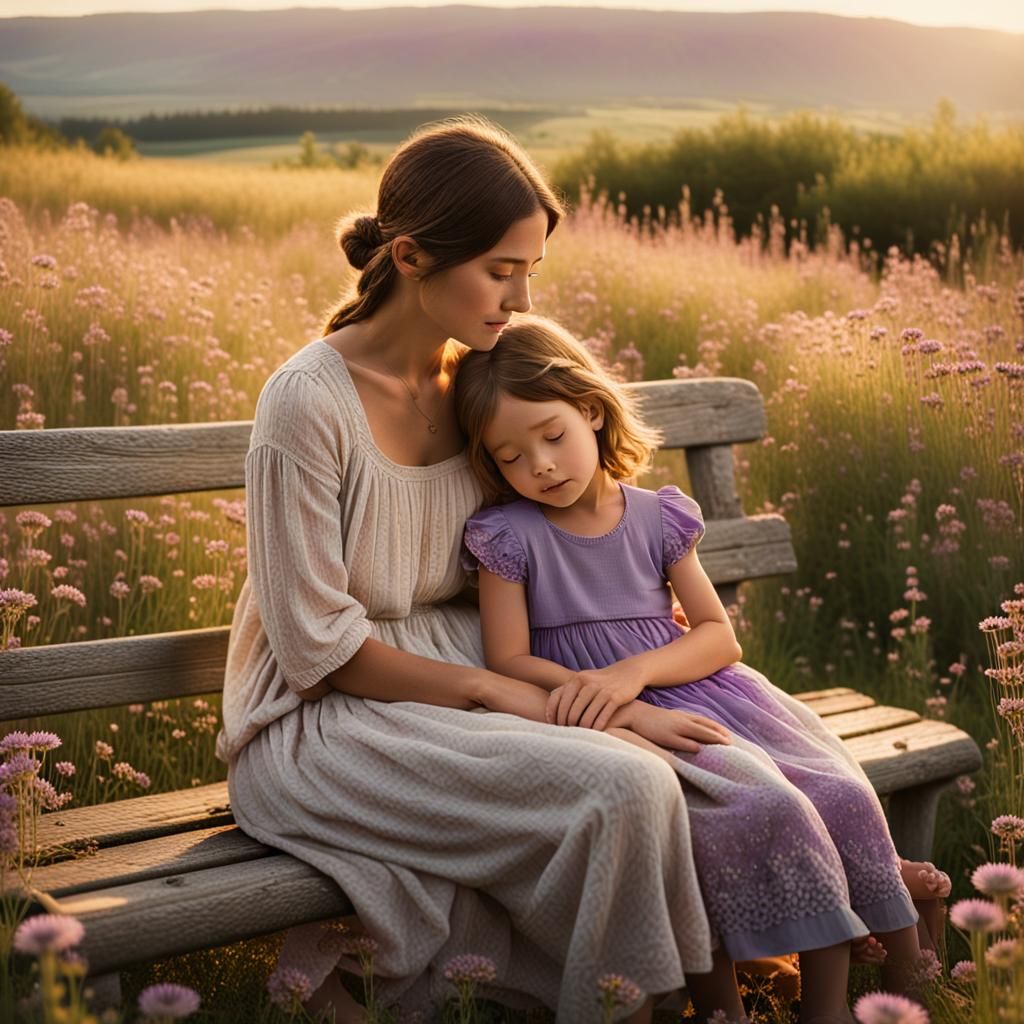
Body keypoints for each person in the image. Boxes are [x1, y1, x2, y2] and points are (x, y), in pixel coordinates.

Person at [215, 118, 734, 1024]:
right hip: (328, 716)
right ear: (411, 256)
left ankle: (666, 997)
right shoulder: (305, 405)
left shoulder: (481, 387)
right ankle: (620, 1007)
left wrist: (613, 685)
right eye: (502, 269)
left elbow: (578, 519)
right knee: (622, 784)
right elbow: (316, 649)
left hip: (472, 672)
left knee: (657, 762)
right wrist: (501, 696)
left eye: (530, 269)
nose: (524, 298)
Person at [454, 314, 944, 1023]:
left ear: (590, 410)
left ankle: (848, 998)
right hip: (602, 717)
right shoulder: (508, 536)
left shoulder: (657, 517)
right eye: (510, 457)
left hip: (709, 692)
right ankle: (723, 1008)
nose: (541, 467)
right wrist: (605, 690)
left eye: (553, 438)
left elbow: (718, 636)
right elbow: (508, 658)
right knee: (739, 816)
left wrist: (633, 672)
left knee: (836, 792)